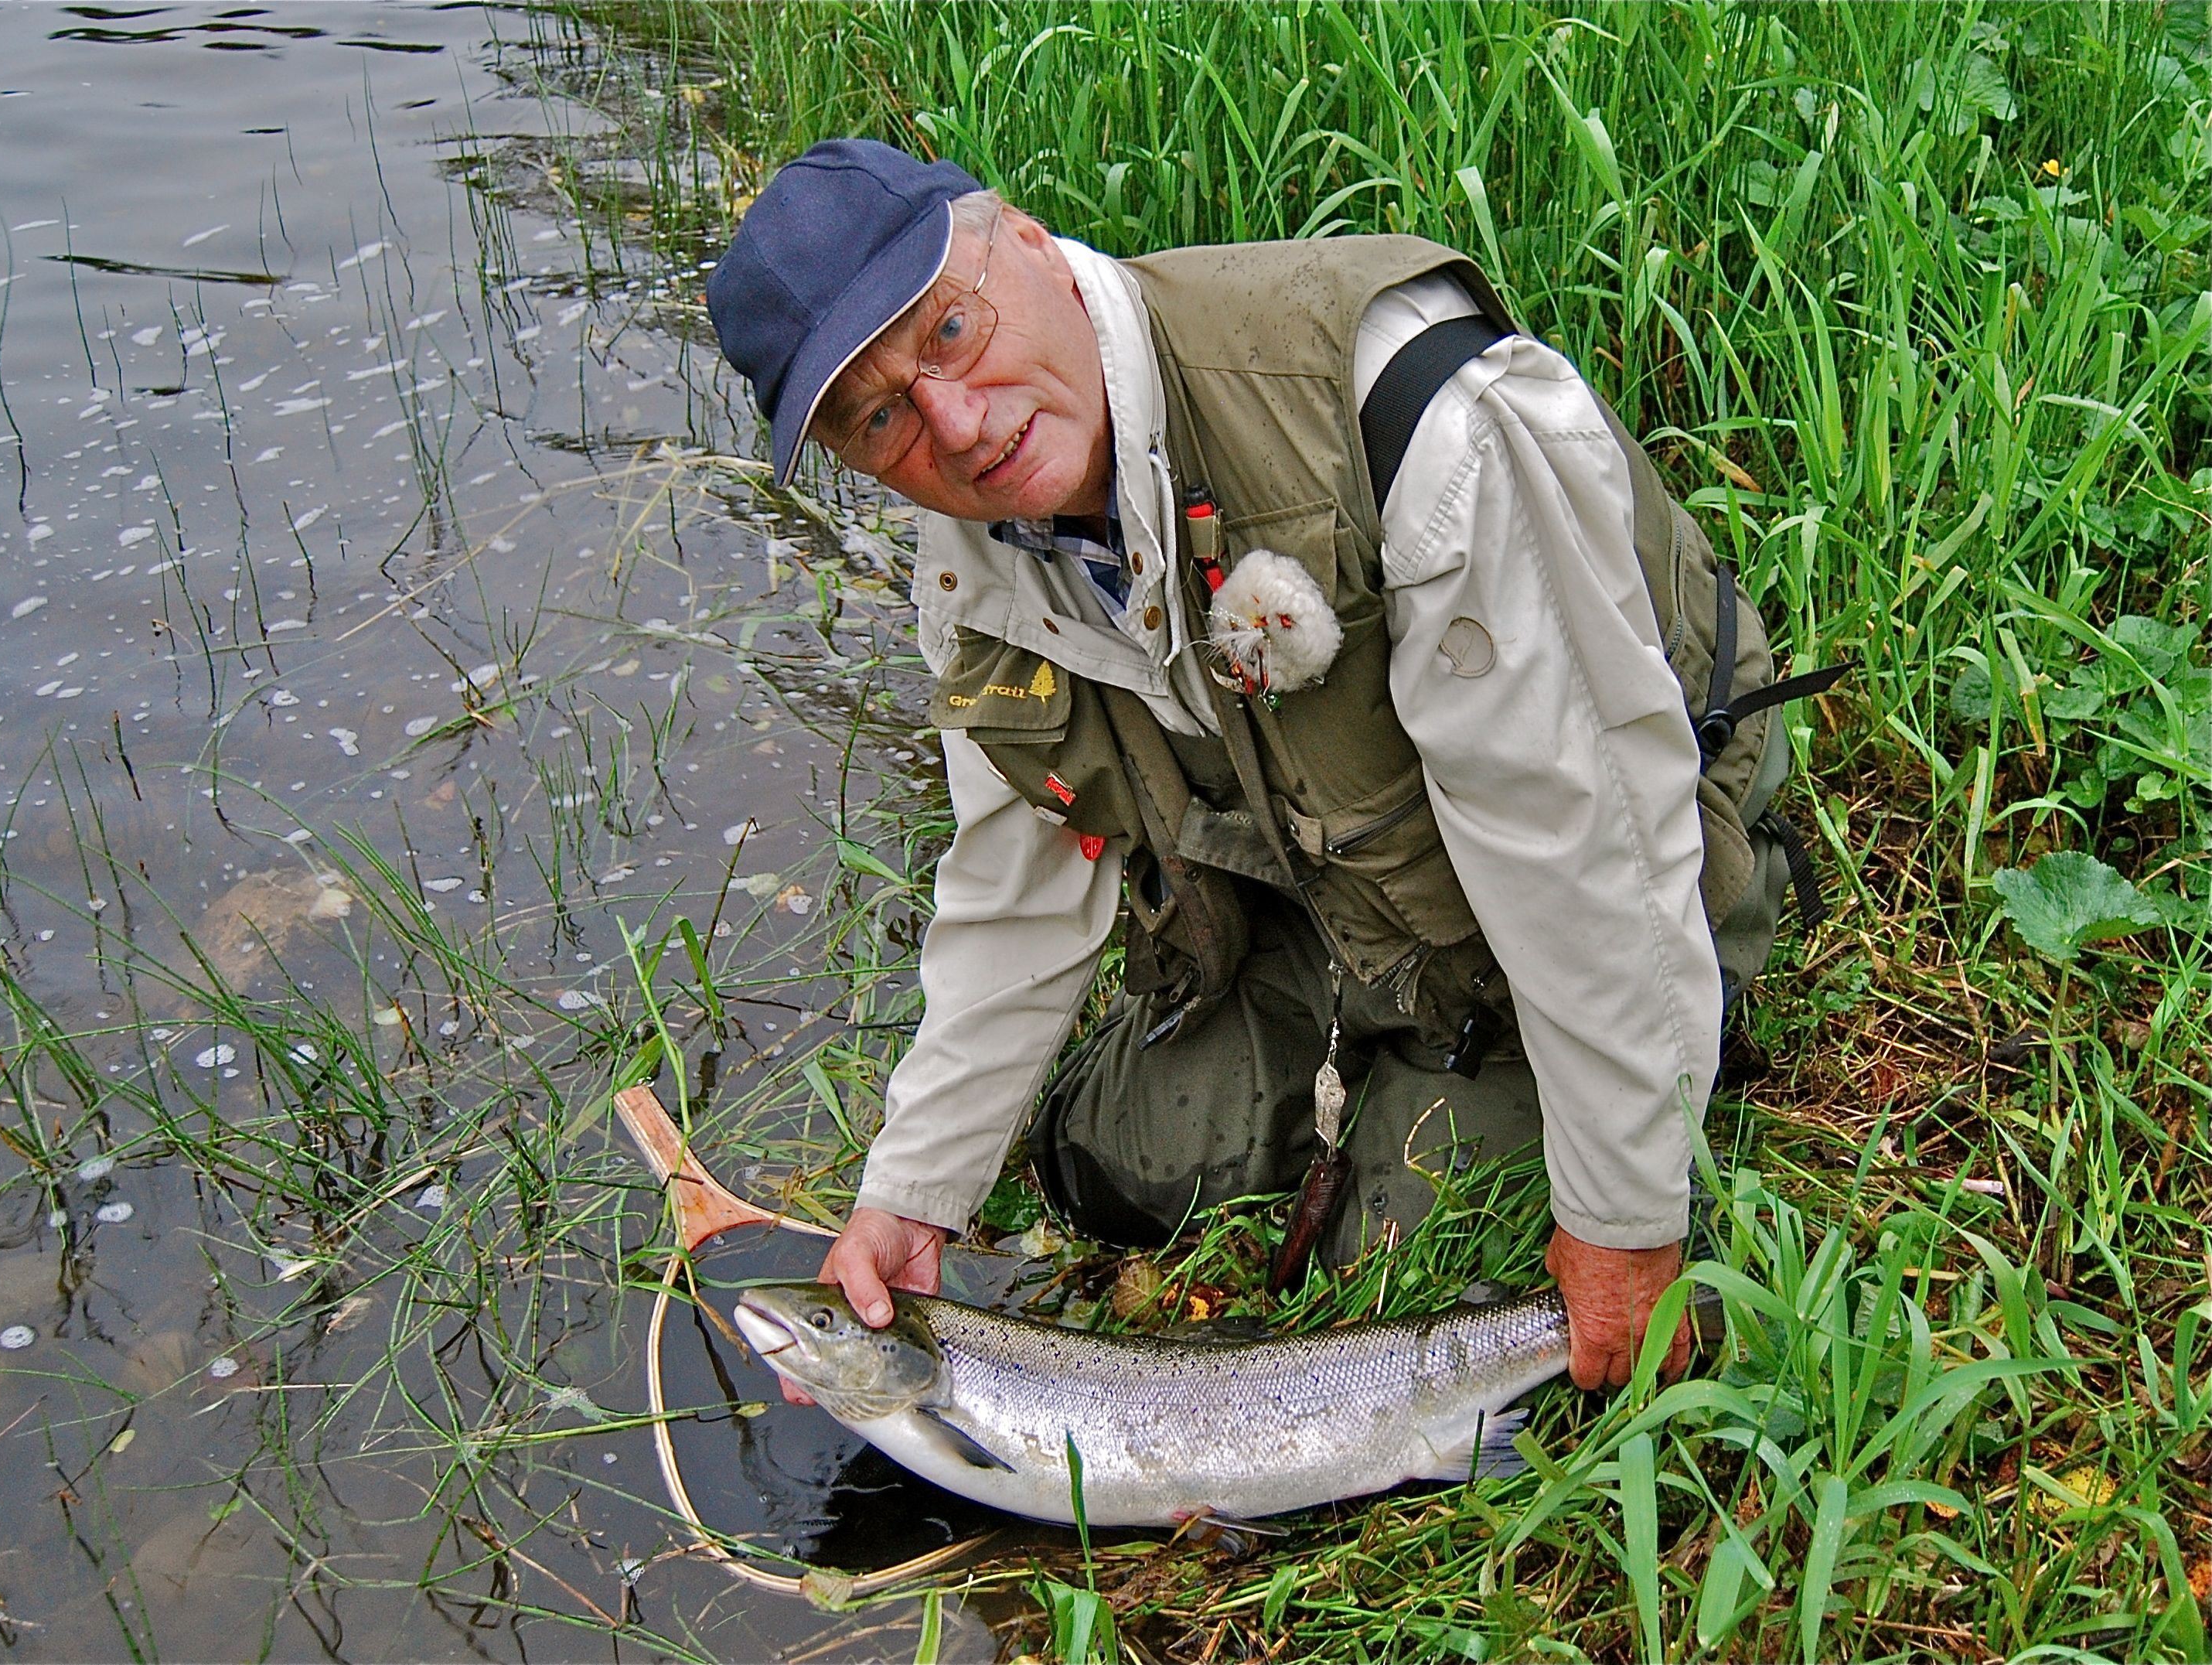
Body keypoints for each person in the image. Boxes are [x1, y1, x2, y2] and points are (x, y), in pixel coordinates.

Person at [707, 139, 1801, 1392]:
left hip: (1615, 846)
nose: (955, 426)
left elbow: (1590, 837)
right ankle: (1380, 1053)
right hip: (1343, 897)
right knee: (1106, 1157)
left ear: (1021, 237)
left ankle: (1674, 1025)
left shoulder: (1400, 407)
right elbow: (1015, 882)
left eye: (949, 331)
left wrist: (1623, 1216)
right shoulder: (973, 573)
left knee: (1398, 1269)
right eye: (882, 416)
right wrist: (913, 1193)